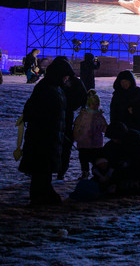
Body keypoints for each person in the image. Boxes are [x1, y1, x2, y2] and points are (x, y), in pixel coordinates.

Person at [19, 57, 74, 205]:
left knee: (45, 168)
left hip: (51, 135)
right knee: (41, 167)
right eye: (65, 76)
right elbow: (32, 111)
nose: (67, 79)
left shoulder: (55, 87)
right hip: (43, 136)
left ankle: (45, 193)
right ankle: (39, 196)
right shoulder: (47, 88)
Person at [73, 89, 108, 179]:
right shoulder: (82, 115)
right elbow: (77, 127)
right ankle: (85, 172)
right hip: (84, 142)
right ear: (89, 104)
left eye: (97, 104)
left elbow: (104, 128)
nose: (95, 106)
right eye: (93, 104)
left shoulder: (99, 116)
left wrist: (106, 129)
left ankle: (96, 173)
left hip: (96, 143)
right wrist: (76, 136)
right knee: (84, 159)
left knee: (96, 159)